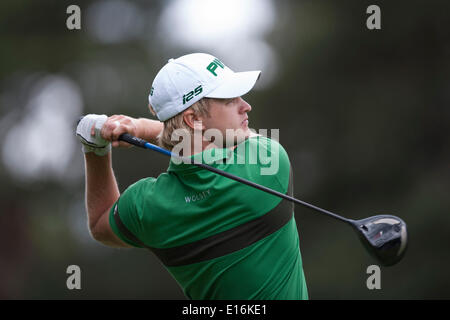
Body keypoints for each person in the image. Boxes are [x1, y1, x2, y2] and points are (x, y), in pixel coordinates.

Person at [76, 53, 308, 299]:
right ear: (194, 119)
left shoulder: (147, 206)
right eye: (230, 99)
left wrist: (95, 148)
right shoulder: (268, 165)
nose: (245, 106)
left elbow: (100, 222)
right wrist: (141, 127)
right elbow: (228, 141)